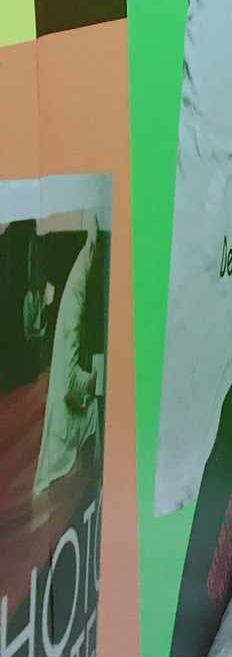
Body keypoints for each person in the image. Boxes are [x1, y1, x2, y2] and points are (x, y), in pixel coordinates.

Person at [33, 212, 101, 495]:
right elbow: (72, 381)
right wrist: (97, 380)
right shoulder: (77, 290)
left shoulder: (77, 281)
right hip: (75, 398)